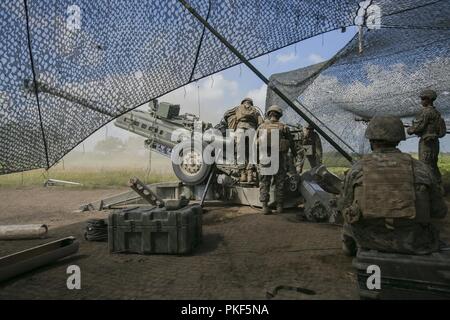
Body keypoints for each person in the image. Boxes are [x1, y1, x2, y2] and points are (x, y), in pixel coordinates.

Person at [339, 116, 447, 256]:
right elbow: (439, 212)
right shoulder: (422, 169)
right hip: (415, 243)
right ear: (398, 140)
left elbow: (344, 206)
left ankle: (349, 250)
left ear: (371, 140)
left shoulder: (357, 170)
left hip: (368, 240)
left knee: (349, 220)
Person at [257, 105, 296, 214]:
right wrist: (294, 153)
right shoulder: (284, 127)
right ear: (279, 115)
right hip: (280, 158)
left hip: (265, 158)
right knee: (280, 182)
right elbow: (291, 143)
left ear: (269, 114)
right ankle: (279, 206)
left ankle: (264, 207)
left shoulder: (261, 127)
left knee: (265, 182)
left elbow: (255, 144)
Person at [407, 89, 446, 184]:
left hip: (426, 143)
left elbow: (418, 127)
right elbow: (441, 133)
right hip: (435, 143)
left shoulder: (425, 112)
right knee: (433, 165)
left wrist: (410, 130)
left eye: (423, 99)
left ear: (429, 99)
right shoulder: (437, 113)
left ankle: (430, 190)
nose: (422, 101)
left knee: (425, 166)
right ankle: (439, 186)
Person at [232, 97, 264, 183]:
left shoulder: (238, 108)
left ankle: (243, 174)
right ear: (251, 103)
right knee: (252, 151)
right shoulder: (255, 110)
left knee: (239, 151)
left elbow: (229, 116)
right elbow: (261, 123)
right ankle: (250, 174)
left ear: (242, 102)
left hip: (240, 128)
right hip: (251, 129)